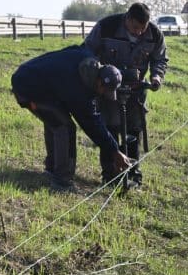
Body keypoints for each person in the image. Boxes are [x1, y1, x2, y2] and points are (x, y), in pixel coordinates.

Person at [11, 45, 131, 191]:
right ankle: (62, 181)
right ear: (99, 81)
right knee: (65, 127)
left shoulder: (88, 57)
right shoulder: (79, 90)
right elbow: (92, 125)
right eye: (104, 90)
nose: (103, 94)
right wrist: (114, 151)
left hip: (33, 76)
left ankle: (52, 168)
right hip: (27, 87)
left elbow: (72, 49)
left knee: (55, 120)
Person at [84, 2, 169, 186]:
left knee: (133, 130)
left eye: (142, 28)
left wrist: (156, 77)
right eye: (135, 28)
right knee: (111, 128)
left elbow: (160, 59)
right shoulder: (107, 27)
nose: (139, 32)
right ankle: (110, 173)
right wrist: (98, 74)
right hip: (110, 90)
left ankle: (133, 172)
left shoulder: (154, 34)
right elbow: (87, 51)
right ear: (127, 19)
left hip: (137, 92)